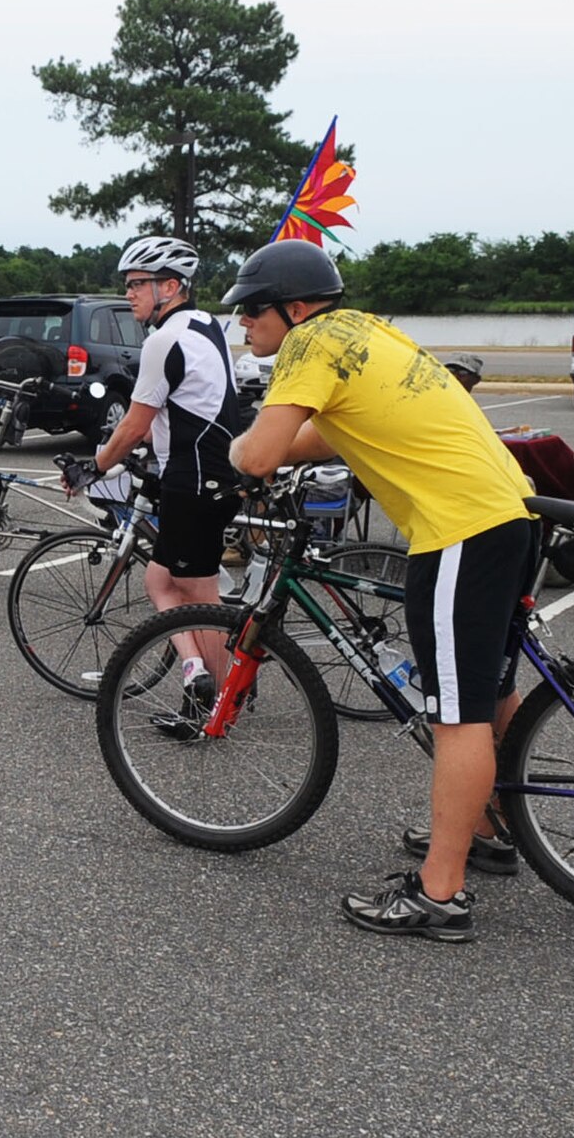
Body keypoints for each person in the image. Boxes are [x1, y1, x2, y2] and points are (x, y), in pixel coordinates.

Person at [224, 239, 540, 943]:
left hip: (459, 529)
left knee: (454, 712)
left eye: (252, 310)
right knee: (490, 689)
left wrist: (237, 454)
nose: (245, 325)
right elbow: (334, 434)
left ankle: (441, 893)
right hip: (511, 512)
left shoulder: (308, 344)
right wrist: (272, 447)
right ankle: (489, 827)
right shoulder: (366, 331)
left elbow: (264, 451)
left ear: (295, 308)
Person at [77, 236, 245, 737]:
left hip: (194, 479)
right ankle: (197, 673)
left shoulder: (163, 340)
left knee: (200, 598)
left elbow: (133, 424)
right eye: (127, 285)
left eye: (137, 285)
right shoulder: (204, 325)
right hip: (205, 471)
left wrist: (95, 464)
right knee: (159, 581)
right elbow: (170, 413)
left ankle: (218, 708)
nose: (129, 295)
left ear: (170, 286)